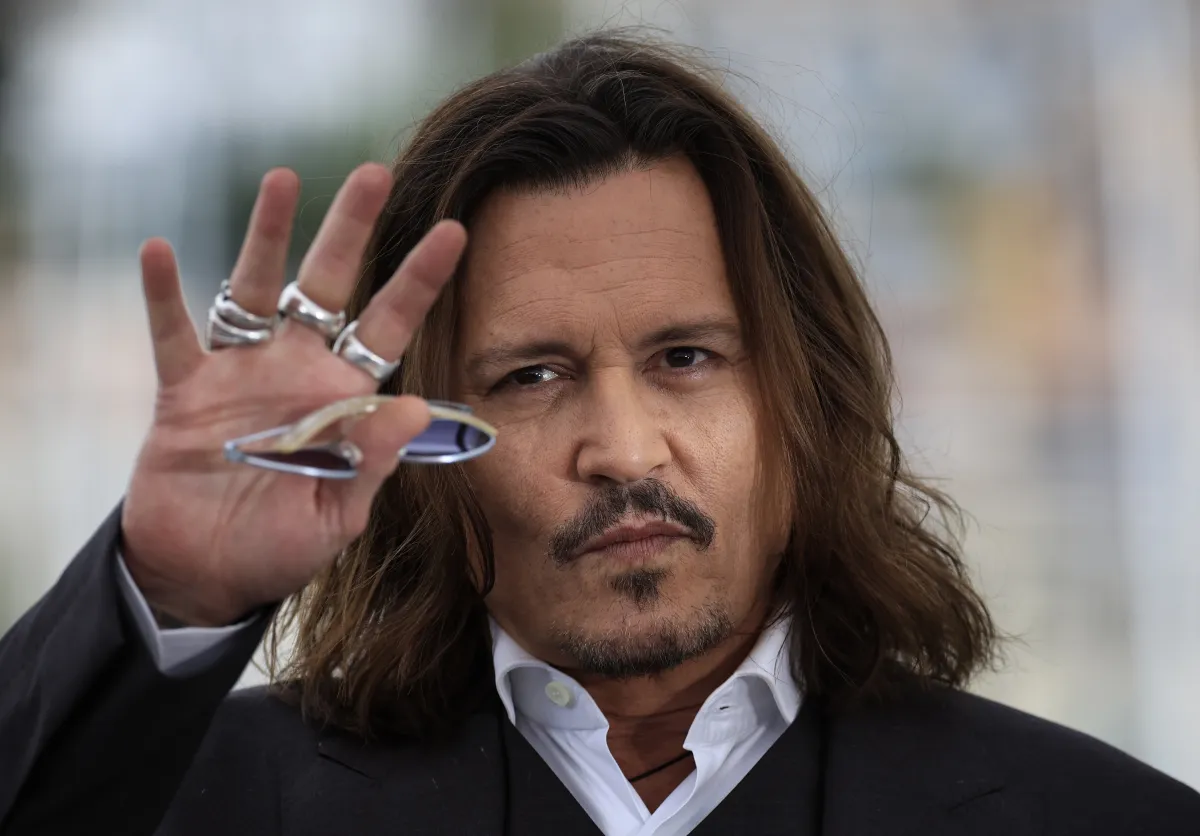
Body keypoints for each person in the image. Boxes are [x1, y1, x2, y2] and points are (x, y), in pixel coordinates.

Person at [0, 31, 1196, 836]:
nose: (623, 448)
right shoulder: (216, 797)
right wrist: (170, 585)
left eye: (686, 358)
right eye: (531, 375)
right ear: (413, 447)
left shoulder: (1100, 814)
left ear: (805, 398)